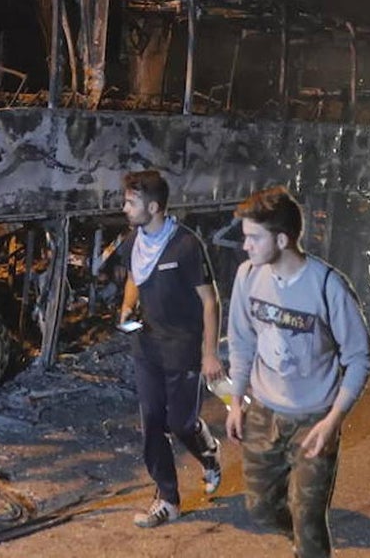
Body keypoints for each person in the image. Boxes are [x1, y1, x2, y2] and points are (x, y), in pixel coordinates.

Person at [225, 186, 370, 558]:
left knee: (308, 517)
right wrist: (236, 401)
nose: (245, 246)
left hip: (314, 419)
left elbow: (360, 358)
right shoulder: (248, 276)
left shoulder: (328, 286)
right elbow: (241, 342)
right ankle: (296, 536)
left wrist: (333, 421)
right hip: (263, 412)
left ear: (282, 239)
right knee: (260, 510)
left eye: (254, 238)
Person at [118, 170, 225, 528]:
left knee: (180, 423)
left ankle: (208, 452)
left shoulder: (186, 245)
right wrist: (127, 306)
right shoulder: (133, 243)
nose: (125, 208)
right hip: (146, 346)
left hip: (183, 348)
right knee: (152, 421)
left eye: (131, 202)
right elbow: (134, 277)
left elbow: (210, 301)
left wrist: (210, 353)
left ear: (153, 207)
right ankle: (167, 499)